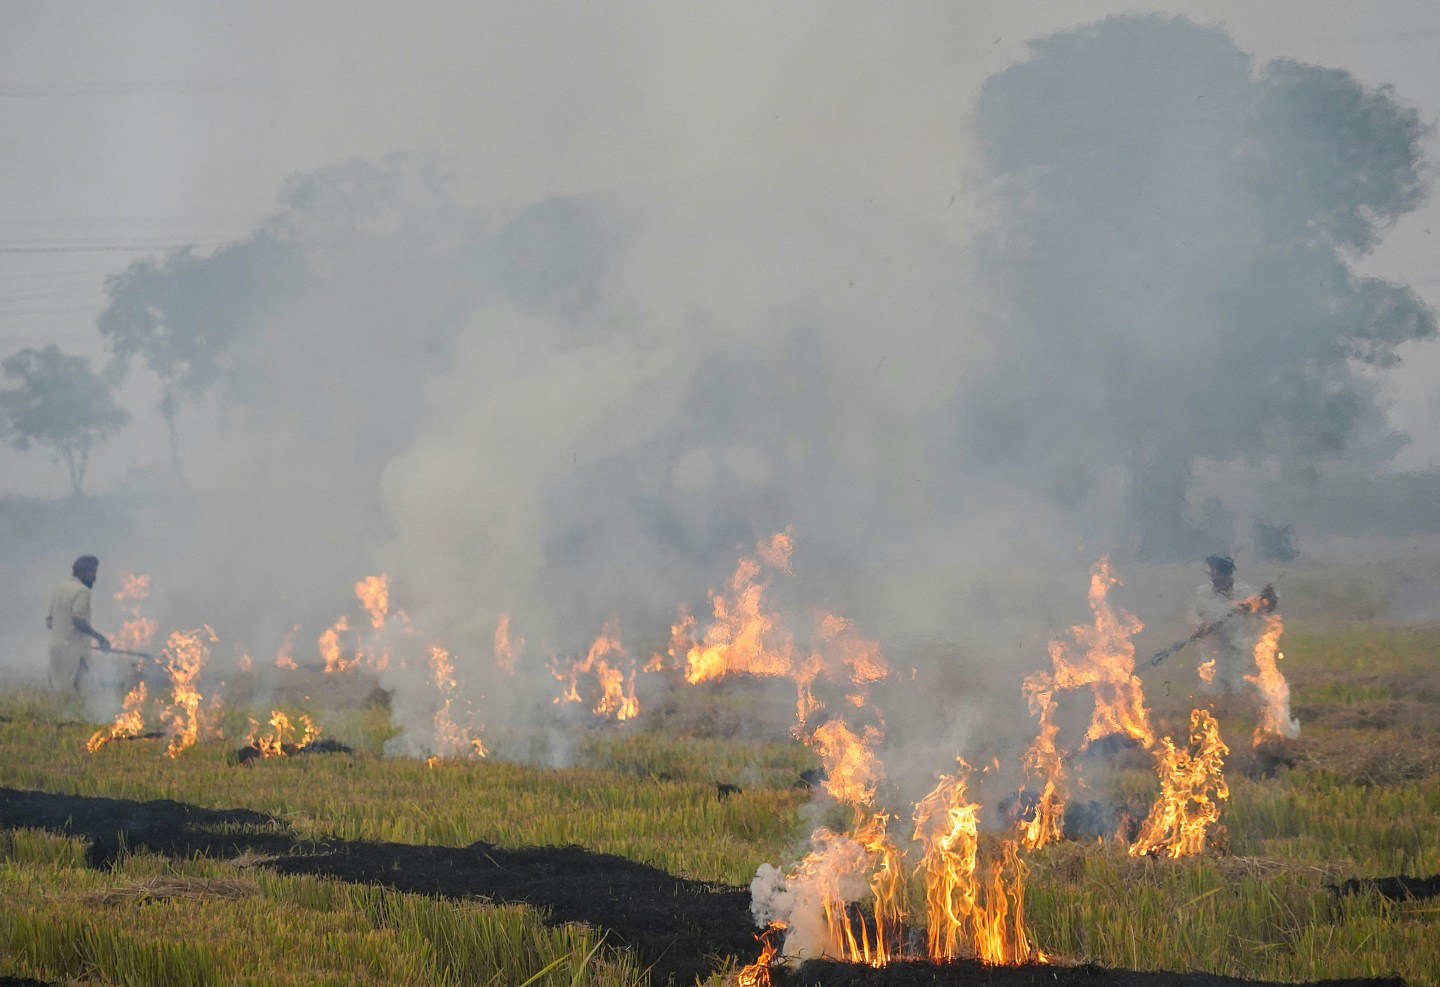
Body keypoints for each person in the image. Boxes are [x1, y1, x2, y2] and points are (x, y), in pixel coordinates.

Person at [1192, 554, 1275, 694]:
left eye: (1218, 572)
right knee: (1213, 690)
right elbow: (1194, 615)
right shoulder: (1203, 594)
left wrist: (1268, 599)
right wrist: (1199, 626)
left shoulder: (1244, 593)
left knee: (1239, 687)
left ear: (1227, 574)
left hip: (1239, 650)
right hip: (1213, 650)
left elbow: (1265, 608)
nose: (1214, 577)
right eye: (1212, 572)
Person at [46, 555, 111, 690]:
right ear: (82, 572)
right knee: (87, 693)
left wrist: (63, 630)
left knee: (60, 693)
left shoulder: (60, 588)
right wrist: (100, 638)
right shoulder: (82, 591)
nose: (94, 578)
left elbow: (50, 622)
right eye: (92, 573)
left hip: (56, 648)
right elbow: (78, 620)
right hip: (74, 653)